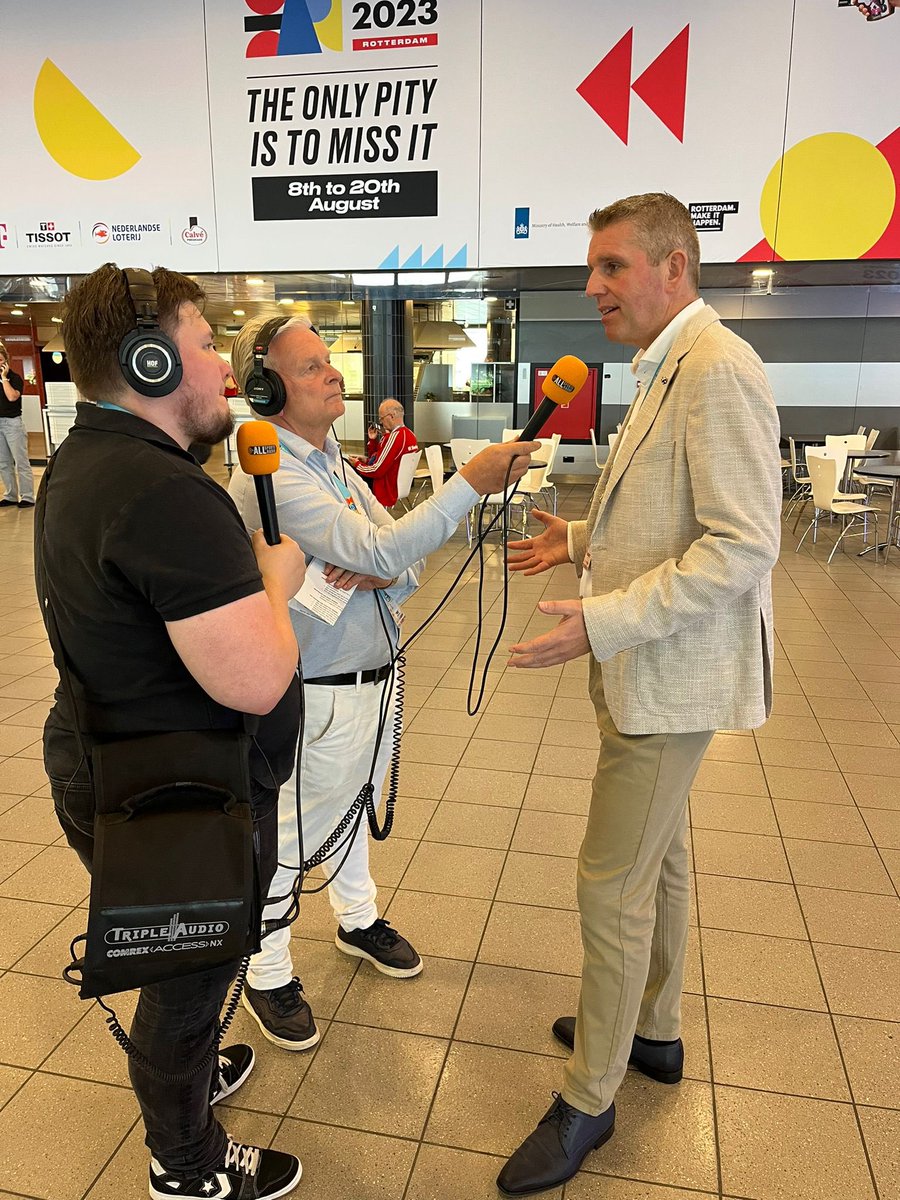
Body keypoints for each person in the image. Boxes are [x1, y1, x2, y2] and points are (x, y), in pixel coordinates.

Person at [498, 193, 782, 1196]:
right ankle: (652, 1030)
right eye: (594, 268)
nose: (594, 287)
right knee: (657, 862)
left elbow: (743, 544)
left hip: (669, 674)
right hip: (648, 672)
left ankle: (590, 1099)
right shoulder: (665, 364)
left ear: (674, 267)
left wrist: (603, 619)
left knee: (607, 882)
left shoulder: (717, 369)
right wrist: (579, 540)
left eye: (612, 266)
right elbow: (670, 510)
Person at [37, 264, 306, 1200]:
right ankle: (184, 1161)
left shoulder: (89, 457)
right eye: (204, 344)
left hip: (124, 765)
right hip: (173, 797)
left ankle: (184, 1075)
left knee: (183, 968)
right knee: (187, 982)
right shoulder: (162, 492)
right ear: (149, 361)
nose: (227, 369)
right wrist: (277, 580)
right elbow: (257, 675)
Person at [228, 315, 537, 1052]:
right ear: (265, 389)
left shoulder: (333, 464)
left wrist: (384, 566)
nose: (333, 373)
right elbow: (384, 547)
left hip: (374, 675)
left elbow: (403, 559)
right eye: (311, 367)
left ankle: (356, 918)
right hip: (317, 687)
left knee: (358, 803)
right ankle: (267, 971)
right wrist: (466, 486)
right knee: (294, 829)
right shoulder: (271, 476)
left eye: (327, 361)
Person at [350, 397, 418, 506]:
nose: (380, 422)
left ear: (391, 416)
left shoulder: (395, 437)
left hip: (385, 488)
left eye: (381, 418)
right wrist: (372, 443)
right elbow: (381, 460)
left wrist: (357, 464)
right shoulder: (410, 435)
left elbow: (376, 470)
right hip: (398, 485)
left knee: (347, 471)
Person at [0, 345, 35, 507]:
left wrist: (4, 378)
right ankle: (10, 495)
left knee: (21, 461)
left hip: (13, 423)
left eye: (0, 359)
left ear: (6, 360)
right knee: (3, 462)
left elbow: (12, 397)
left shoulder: (14, 378)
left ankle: (27, 496)